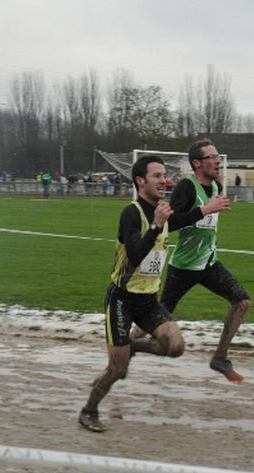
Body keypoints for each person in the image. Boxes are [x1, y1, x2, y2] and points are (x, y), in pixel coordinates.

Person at [78, 155, 184, 433]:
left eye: (164, 175)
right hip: (122, 301)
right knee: (117, 369)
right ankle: (88, 411)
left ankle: (133, 346)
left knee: (175, 346)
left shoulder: (161, 211)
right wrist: (157, 226)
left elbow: (182, 219)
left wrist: (206, 210)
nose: (164, 181)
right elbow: (135, 254)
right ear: (140, 181)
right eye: (157, 176)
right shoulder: (131, 212)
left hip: (148, 301)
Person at [131, 138, 251, 383]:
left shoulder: (216, 186)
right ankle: (128, 344)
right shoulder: (187, 187)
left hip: (208, 263)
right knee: (157, 322)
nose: (218, 161)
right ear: (197, 163)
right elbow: (171, 223)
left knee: (242, 301)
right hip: (183, 269)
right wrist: (206, 210)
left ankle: (220, 358)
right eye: (212, 157)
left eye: (218, 156)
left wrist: (210, 209)